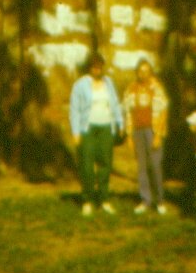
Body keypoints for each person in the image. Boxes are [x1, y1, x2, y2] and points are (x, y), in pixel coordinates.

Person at [69, 52, 123, 216]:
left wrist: (120, 123)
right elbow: (74, 109)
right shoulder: (80, 85)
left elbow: (115, 104)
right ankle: (87, 200)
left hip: (106, 128)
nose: (97, 69)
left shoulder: (109, 83)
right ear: (89, 68)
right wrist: (76, 131)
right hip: (88, 129)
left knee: (106, 164)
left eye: (100, 66)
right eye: (94, 66)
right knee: (87, 164)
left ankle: (104, 199)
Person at [123, 59, 169, 216]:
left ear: (150, 72)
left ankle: (159, 201)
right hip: (137, 131)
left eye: (146, 71)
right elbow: (128, 113)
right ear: (136, 72)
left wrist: (158, 135)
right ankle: (145, 200)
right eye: (140, 71)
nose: (143, 74)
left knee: (155, 165)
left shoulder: (156, 88)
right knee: (141, 167)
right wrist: (129, 135)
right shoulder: (131, 89)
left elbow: (163, 112)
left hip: (152, 131)